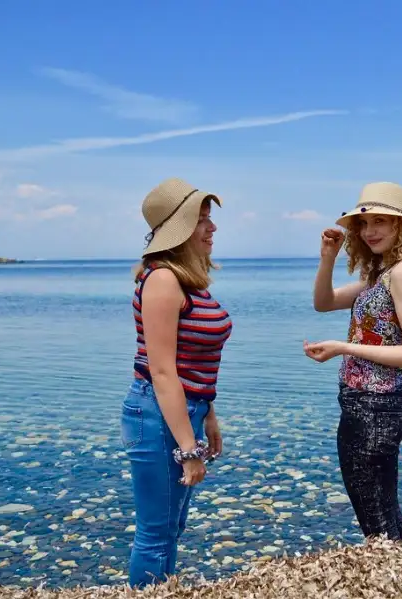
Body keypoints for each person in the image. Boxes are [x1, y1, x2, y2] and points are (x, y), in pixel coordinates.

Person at [304, 181, 402, 549]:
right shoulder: (381, 276)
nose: (369, 230)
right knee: (384, 517)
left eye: (381, 221)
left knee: (377, 524)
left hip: (378, 408)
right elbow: (324, 302)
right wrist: (328, 257)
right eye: (364, 223)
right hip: (364, 405)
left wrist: (346, 347)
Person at [120, 177, 233, 587]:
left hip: (185, 409)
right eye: (202, 219)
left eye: (209, 219)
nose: (212, 228)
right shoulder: (163, 281)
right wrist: (189, 449)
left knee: (171, 528)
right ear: (178, 228)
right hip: (158, 413)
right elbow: (162, 371)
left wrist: (208, 414)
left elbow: (194, 362)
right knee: (154, 534)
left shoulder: (188, 281)